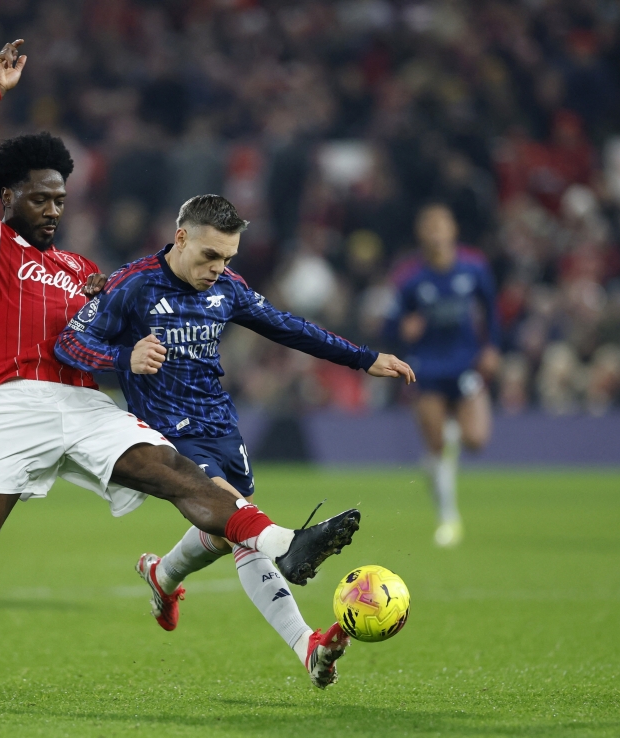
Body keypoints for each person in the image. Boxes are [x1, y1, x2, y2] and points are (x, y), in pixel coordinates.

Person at [0, 40, 361, 703]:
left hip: (83, 405)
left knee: (179, 474)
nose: (54, 210)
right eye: (41, 198)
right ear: (8, 195)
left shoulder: (82, 270)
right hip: (7, 403)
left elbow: (106, 340)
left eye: (60, 200)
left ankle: (287, 542)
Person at [55, 194, 415, 688]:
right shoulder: (133, 284)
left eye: (228, 258)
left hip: (220, 424)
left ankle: (163, 575)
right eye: (210, 255)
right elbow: (69, 342)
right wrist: (123, 358)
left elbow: (288, 328)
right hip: (167, 433)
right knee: (242, 523)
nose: (218, 268)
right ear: (181, 237)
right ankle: (306, 641)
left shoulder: (227, 288)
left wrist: (363, 358)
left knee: (231, 531)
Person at [384, 203, 500, 547]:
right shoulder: (410, 277)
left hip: (466, 365)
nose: (435, 234)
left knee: (476, 439)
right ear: (421, 234)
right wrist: (403, 328)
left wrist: (492, 347)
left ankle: (447, 443)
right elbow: (390, 324)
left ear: (453, 231)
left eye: (441, 226)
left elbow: (492, 311)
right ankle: (448, 518)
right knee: (435, 445)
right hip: (428, 369)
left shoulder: (474, 268)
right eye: (429, 227)